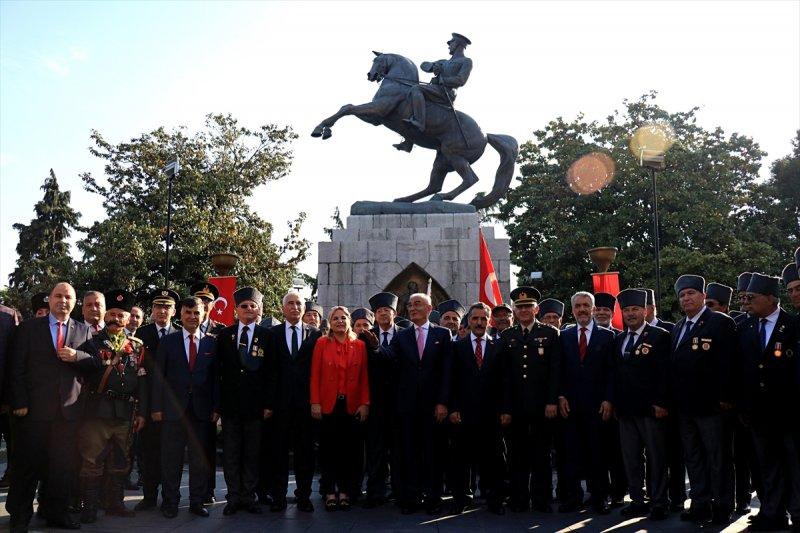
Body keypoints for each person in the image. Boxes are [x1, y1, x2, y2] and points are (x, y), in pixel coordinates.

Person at [7, 282, 98, 532]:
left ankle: (56, 513)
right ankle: (19, 518)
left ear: (74, 301)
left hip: (68, 413)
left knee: (61, 469)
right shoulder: (28, 328)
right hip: (33, 413)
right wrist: (20, 402)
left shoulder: (83, 331)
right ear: (49, 300)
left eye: (68, 297)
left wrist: (77, 356)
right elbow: (16, 368)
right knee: (27, 468)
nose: (63, 301)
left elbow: (95, 363)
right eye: (58, 296)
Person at [670, 274, 737, 525]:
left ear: (703, 296)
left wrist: (726, 398)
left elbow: (729, 363)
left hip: (712, 407)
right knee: (694, 459)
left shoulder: (719, 322)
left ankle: (722, 506)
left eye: (691, 293)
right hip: (685, 407)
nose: (686, 298)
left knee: (718, 459)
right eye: (682, 295)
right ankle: (700, 503)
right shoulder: (678, 327)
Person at [77, 289, 147, 523]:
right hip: (97, 411)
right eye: (113, 313)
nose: (116, 318)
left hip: (126, 412)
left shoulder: (137, 346)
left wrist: (142, 413)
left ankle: (115, 503)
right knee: (92, 460)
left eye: (121, 315)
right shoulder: (91, 343)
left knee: (121, 460)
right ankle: (89, 506)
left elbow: (142, 381)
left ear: (128, 318)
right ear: (106, 315)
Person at [380, 292, 452, 515]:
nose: (412, 308)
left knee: (432, 454)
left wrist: (442, 402)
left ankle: (433, 498)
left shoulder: (443, 333)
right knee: (409, 454)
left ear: (429, 308)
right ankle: (410, 498)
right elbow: (389, 357)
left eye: (417, 304)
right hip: (408, 407)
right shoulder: (402, 336)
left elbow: (447, 372)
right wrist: (375, 348)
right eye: (409, 305)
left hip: (433, 407)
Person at [738, 273, 800, 532]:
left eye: (752, 297)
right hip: (758, 413)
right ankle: (772, 513)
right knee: (768, 466)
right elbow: (740, 370)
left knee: (795, 466)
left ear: (770, 298)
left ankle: (798, 514)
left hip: (788, 412)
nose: (748, 302)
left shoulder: (793, 324)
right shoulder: (746, 327)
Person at [151, 296, 220, 518]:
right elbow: (158, 376)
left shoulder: (211, 342)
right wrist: (156, 407)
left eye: (196, 313)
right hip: (172, 410)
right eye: (188, 312)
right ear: (180, 314)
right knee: (171, 458)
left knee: (199, 460)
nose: (192, 317)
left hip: (201, 411)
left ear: (203, 315)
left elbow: (217, 378)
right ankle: (170, 501)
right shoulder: (169, 341)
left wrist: (216, 407)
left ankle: (197, 502)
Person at [499, 286, 560, 513]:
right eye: (520, 307)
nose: (524, 311)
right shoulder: (507, 336)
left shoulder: (551, 333)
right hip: (515, 409)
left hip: (542, 407)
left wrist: (552, 401)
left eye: (528, 306)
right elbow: (504, 377)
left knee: (541, 456)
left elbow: (555, 371)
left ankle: (542, 500)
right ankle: (519, 500)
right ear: (514, 310)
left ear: (536, 308)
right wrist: (505, 408)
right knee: (516, 456)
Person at [612, 289, 671, 520]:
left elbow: (665, 374)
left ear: (645, 310)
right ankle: (637, 500)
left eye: (635, 309)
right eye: (626, 310)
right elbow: (616, 374)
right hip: (626, 410)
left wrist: (661, 402)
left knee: (656, 457)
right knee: (631, 458)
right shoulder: (619, 338)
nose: (631, 314)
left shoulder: (659, 336)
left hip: (651, 409)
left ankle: (659, 502)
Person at [216, 287, 274, 516]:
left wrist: (269, 403)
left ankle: (249, 496)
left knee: (252, 453)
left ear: (259, 309)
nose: (248, 309)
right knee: (231, 454)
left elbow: (272, 373)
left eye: (253, 305)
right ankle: (233, 497)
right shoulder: (225, 335)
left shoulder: (267, 336)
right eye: (244, 306)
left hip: (256, 407)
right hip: (231, 406)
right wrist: (218, 404)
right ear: (236, 310)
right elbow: (218, 372)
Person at [558, 291, 615, 515]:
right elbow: (558, 370)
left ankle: (600, 497)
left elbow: (612, 371)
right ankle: (574, 498)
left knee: (598, 454)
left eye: (586, 305)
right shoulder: (564, 336)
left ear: (593, 308)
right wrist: (561, 396)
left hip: (598, 406)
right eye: (578, 306)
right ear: (572, 310)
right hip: (570, 407)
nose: (582, 309)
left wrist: (609, 399)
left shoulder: (607, 336)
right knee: (572, 454)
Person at [266, 291, 322, 512]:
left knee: (305, 453)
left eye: (299, 303)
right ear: (283, 308)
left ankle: (304, 496)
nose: (295, 307)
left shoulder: (315, 335)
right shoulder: (272, 334)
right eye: (290, 303)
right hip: (279, 405)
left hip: (306, 404)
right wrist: (268, 403)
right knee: (278, 453)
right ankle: (278, 496)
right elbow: (269, 372)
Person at [448, 302, 505, 515]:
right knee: (461, 460)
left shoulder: (498, 346)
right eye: (475, 319)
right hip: (463, 415)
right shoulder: (457, 347)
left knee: (493, 460)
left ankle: (494, 500)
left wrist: (505, 410)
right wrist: (453, 408)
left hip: (492, 415)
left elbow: (504, 381)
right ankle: (460, 499)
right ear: (469, 321)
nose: (479, 323)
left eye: (483, 319)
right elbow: (451, 380)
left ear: (488, 321)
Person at [310, 306, 370, 511]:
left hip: (351, 405)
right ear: (330, 322)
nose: (339, 321)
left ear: (349, 321)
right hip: (328, 405)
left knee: (349, 451)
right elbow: (315, 375)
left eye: (343, 318)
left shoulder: (360, 345)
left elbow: (364, 378)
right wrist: (315, 402)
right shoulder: (321, 343)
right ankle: (329, 492)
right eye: (335, 318)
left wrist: (364, 403)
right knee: (328, 451)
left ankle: (345, 491)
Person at [133, 288, 179, 512]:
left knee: (171, 454)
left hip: (173, 405)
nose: (162, 311)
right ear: (152, 310)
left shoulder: (179, 334)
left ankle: (170, 498)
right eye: (158, 306)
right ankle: (149, 496)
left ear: (174, 311)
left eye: (167, 307)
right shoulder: (141, 335)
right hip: (148, 403)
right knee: (148, 452)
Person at [363, 291, 402, 508]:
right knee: (375, 450)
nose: (383, 314)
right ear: (375, 315)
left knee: (398, 450)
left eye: (387, 310)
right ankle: (375, 492)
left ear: (394, 313)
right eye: (379, 311)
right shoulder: (364, 337)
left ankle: (398, 490)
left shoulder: (404, 335)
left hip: (398, 402)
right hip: (375, 402)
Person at [189, 281, 223, 504]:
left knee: (207, 448)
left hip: (207, 401)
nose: (204, 304)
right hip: (184, 400)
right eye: (200, 300)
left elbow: (220, 372)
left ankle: (208, 489)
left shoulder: (221, 330)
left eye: (207, 301)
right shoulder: (183, 325)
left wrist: (217, 404)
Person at [403, 33, 473, 136]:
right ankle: (408, 139)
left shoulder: (466, 61)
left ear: (458, 44)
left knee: (416, 89)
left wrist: (443, 80)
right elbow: (423, 64)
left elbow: (461, 80)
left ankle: (419, 122)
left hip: (447, 92)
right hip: (435, 90)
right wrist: (433, 66)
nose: (449, 45)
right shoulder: (443, 62)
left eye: (451, 43)